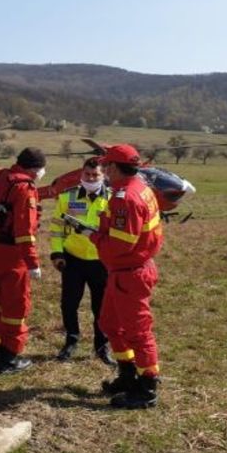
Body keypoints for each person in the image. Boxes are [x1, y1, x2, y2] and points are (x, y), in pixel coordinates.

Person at [76, 144, 164, 409]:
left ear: (114, 167)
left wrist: (90, 235)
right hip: (123, 272)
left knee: (139, 332)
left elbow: (120, 245)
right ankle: (126, 374)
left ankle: (147, 387)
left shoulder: (125, 198)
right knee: (110, 324)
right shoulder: (139, 188)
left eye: (105, 166)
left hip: (131, 274)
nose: (102, 170)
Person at [0, 147, 47, 374]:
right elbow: (24, 230)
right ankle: (9, 359)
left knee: (0, 302)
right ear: (35, 169)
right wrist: (32, 263)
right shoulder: (24, 188)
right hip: (12, 253)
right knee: (16, 306)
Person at [48, 157, 113, 363]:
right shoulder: (67, 198)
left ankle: (102, 347)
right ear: (81, 174)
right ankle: (71, 340)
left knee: (101, 307)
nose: (91, 178)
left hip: (101, 261)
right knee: (69, 303)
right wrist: (57, 253)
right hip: (72, 260)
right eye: (87, 174)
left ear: (103, 176)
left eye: (96, 175)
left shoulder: (113, 199)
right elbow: (57, 228)